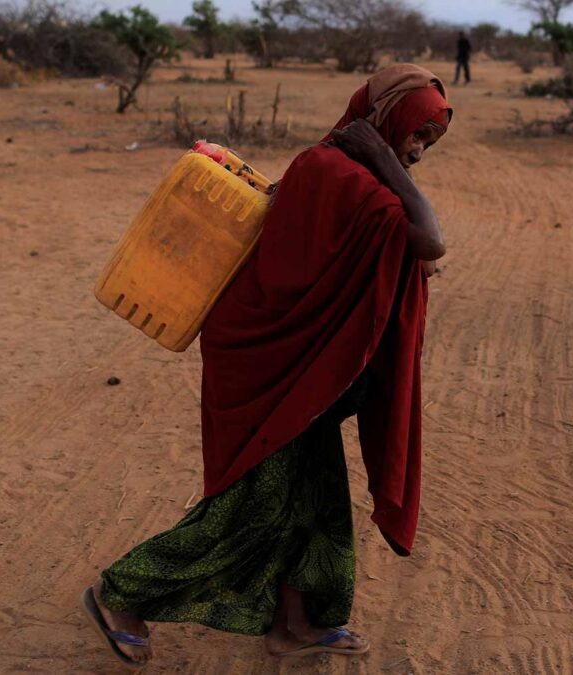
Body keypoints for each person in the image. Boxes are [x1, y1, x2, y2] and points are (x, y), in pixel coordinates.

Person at [79, 64, 452, 669]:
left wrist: (384, 164)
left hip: (309, 373)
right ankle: (120, 595)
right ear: (381, 122)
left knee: (319, 500)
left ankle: (295, 622)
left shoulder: (355, 176)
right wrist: (384, 159)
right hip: (268, 364)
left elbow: (402, 248)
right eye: (414, 136)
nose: (417, 152)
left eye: (428, 143)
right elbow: (428, 240)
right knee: (253, 505)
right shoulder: (335, 171)